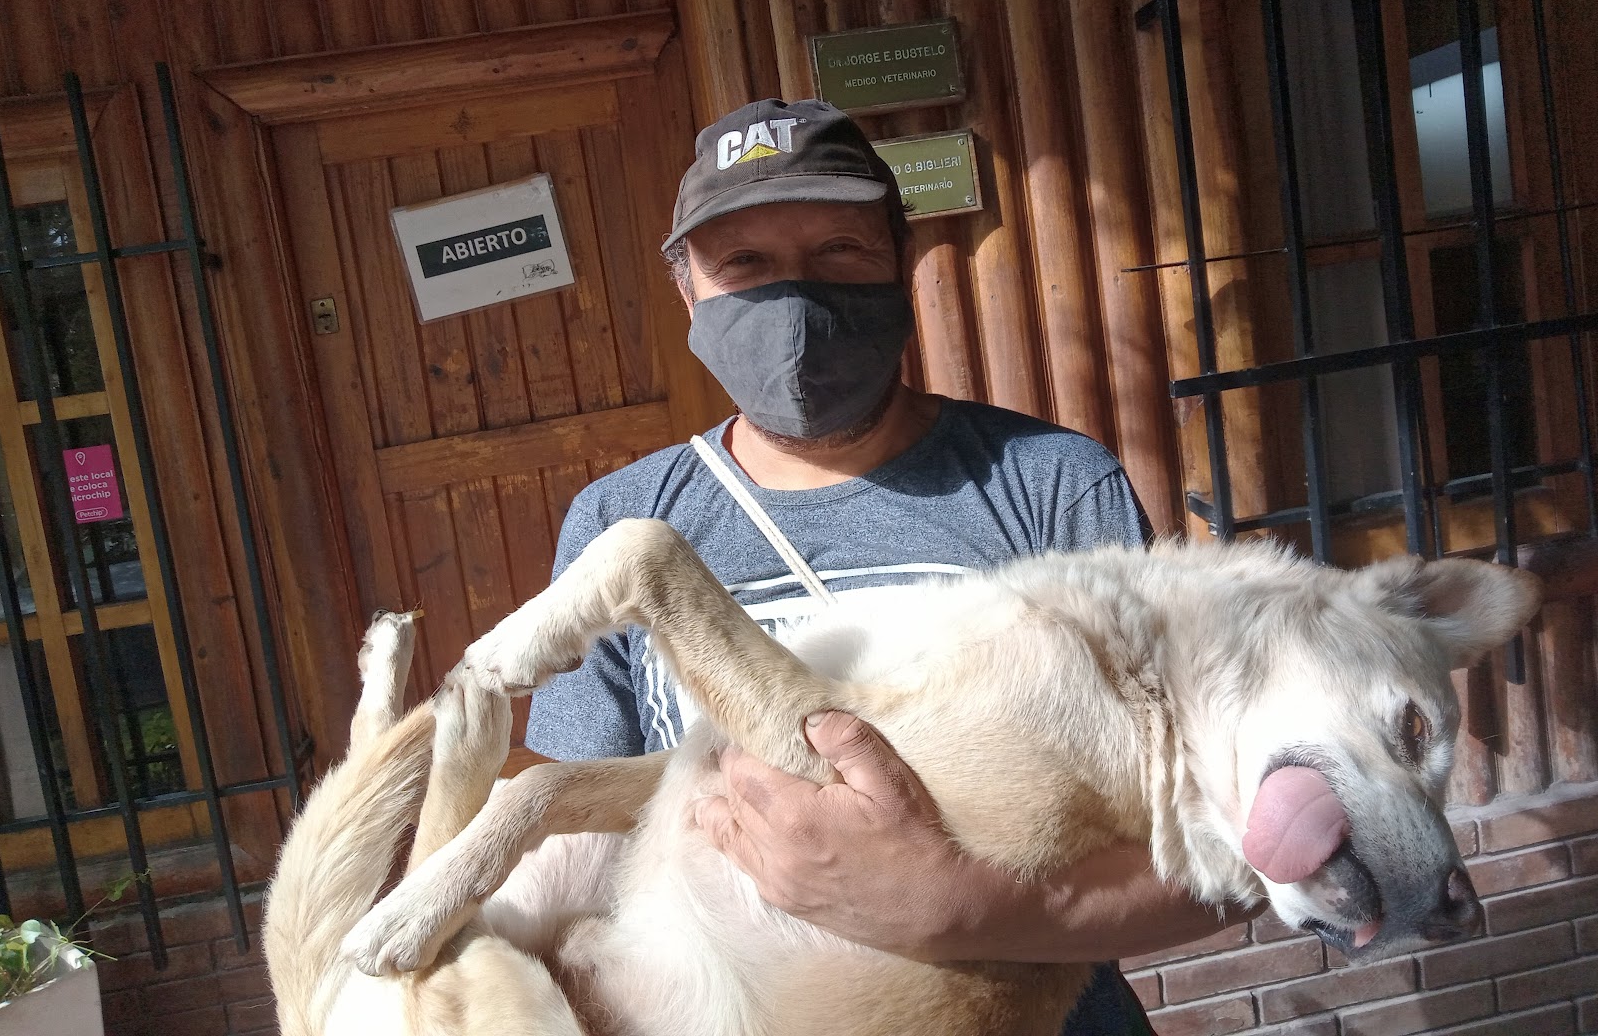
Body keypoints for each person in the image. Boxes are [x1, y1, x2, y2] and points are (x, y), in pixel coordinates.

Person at [524, 99, 1245, 1033]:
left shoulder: (1051, 488)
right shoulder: (621, 526)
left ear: (898, 262)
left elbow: (1229, 848)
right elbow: (579, 857)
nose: (796, 300)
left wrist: (966, 908)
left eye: (839, 252)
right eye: (745, 264)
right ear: (687, 291)